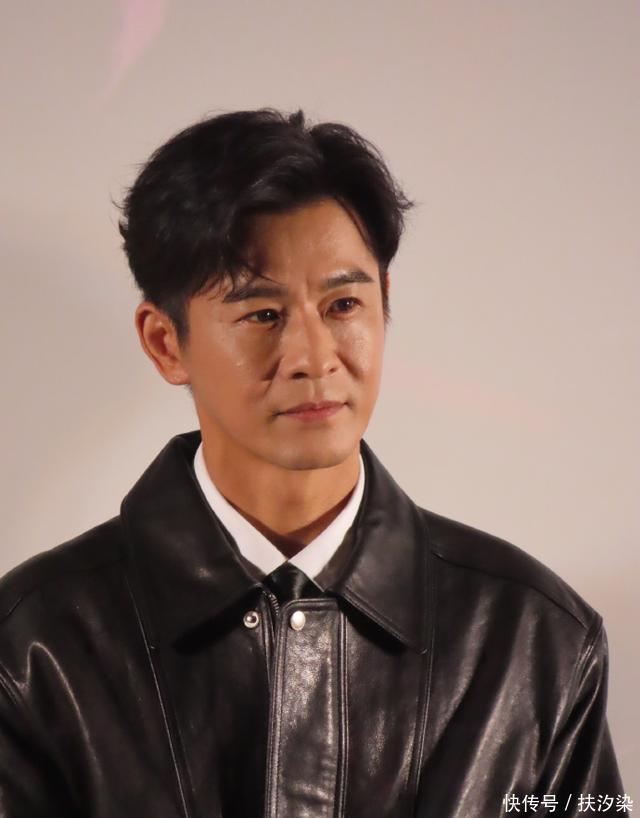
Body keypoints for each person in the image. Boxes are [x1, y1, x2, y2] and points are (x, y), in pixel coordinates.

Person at [0, 108, 624, 817]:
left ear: (384, 305)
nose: (314, 357)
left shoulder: (536, 641)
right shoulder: (33, 649)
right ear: (166, 343)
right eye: (262, 315)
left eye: (343, 304)